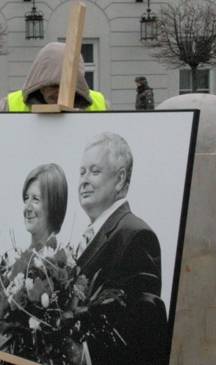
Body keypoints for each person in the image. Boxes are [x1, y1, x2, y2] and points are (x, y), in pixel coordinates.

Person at [75, 132, 167, 364]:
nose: (84, 180)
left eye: (94, 171)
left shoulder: (136, 235)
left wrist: (82, 353)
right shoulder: (91, 234)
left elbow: (143, 331)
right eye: (82, 172)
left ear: (119, 179)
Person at [0, 42, 111, 111]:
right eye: (52, 85)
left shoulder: (100, 105)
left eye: (65, 85)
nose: (58, 93)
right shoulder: (8, 106)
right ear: (39, 85)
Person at [22, 163, 68, 251]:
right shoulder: (15, 260)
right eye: (26, 198)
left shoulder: (63, 262)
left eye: (36, 199)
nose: (27, 208)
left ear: (54, 205)